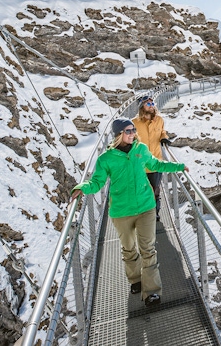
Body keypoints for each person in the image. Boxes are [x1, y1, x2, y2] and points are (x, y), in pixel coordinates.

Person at [69, 118, 187, 307]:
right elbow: (97, 183)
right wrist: (82, 187)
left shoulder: (140, 150)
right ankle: (135, 280)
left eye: (133, 130)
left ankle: (152, 292)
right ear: (118, 134)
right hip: (121, 211)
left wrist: (178, 167)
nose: (133, 133)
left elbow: (156, 165)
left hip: (146, 206)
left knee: (148, 248)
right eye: (128, 130)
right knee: (129, 248)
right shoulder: (106, 159)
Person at [132, 95, 172, 222]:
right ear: (141, 107)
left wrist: (164, 137)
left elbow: (162, 132)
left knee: (155, 190)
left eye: (152, 103)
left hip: (155, 161)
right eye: (148, 104)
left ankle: (155, 214)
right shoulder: (134, 123)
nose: (151, 106)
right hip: (140, 164)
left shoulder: (159, 120)